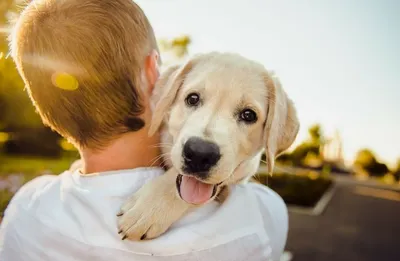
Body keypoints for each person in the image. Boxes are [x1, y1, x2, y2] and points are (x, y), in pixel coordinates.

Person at [0, 0, 288, 260]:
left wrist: (172, 190)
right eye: (193, 99)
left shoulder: (25, 211)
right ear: (153, 72)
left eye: (247, 115)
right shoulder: (259, 219)